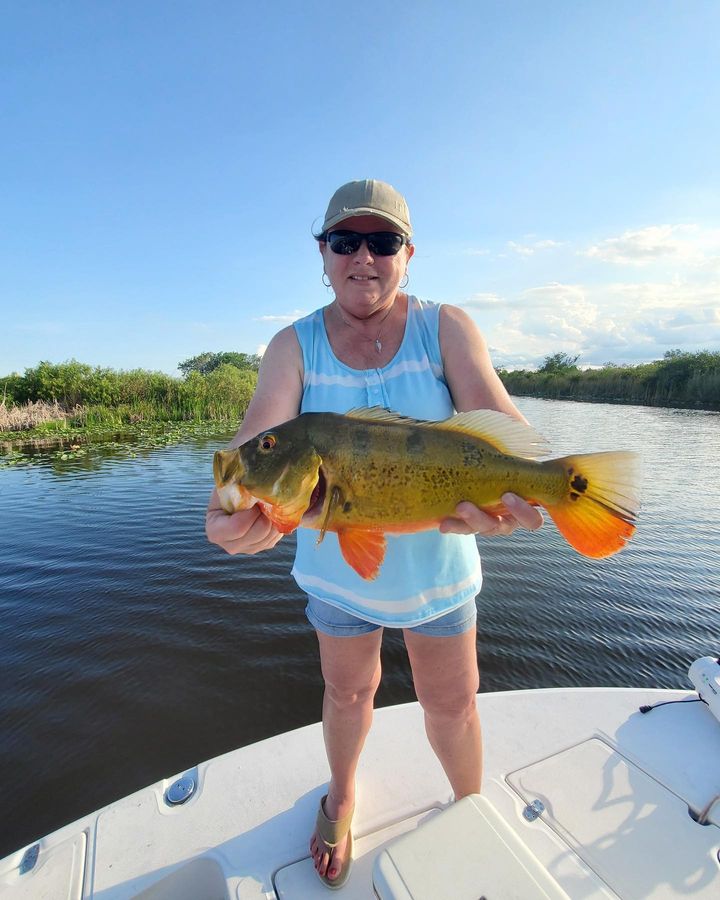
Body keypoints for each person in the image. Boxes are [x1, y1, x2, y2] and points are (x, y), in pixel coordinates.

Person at [205, 179, 543, 889]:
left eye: (383, 241)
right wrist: (227, 510)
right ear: (324, 254)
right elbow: (249, 452)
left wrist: (531, 490)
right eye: (345, 241)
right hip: (337, 581)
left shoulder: (446, 327)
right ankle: (344, 794)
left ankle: (468, 805)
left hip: (440, 574)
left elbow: (506, 432)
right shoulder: (291, 346)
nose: (365, 256)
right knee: (348, 693)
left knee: (452, 702)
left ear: (408, 254)